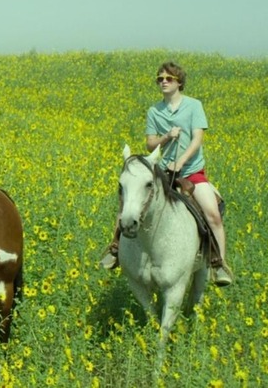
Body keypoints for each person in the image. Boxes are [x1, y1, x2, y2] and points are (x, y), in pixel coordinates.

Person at [100, 61, 234, 287]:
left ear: (179, 82)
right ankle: (115, 249)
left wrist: (181, 161)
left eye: (168, 78)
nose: (163, 82)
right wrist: (166, 137)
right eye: (160, 79)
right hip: (163, 172)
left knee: (212, 214)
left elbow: (197, 138)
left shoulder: (194, 106)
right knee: (129, 206)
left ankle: (218, 263)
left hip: (191, 172)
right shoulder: (154, 111)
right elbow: (151, 145)